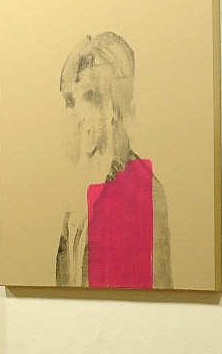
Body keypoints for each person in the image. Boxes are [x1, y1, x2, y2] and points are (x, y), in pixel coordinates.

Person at [55, 32, 171, 288]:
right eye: (71, 101)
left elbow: (157, 292)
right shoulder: (75, 190)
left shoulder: (142, 188)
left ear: (115, 107)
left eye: (90, 97)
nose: (78, 114)